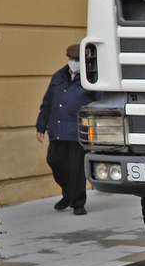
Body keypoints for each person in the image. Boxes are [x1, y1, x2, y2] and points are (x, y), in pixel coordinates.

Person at [36, 44, 99, 215]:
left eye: (78, 60)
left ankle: (78, 203)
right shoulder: (58, 76)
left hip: (78, 132)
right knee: (54, 161)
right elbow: (47, 103)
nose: (74, 63)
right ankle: (68, 193)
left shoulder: (92, 78)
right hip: (57, 130)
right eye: (72, 59)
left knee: (76, 169)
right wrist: (40, 126)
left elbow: (99, 106)